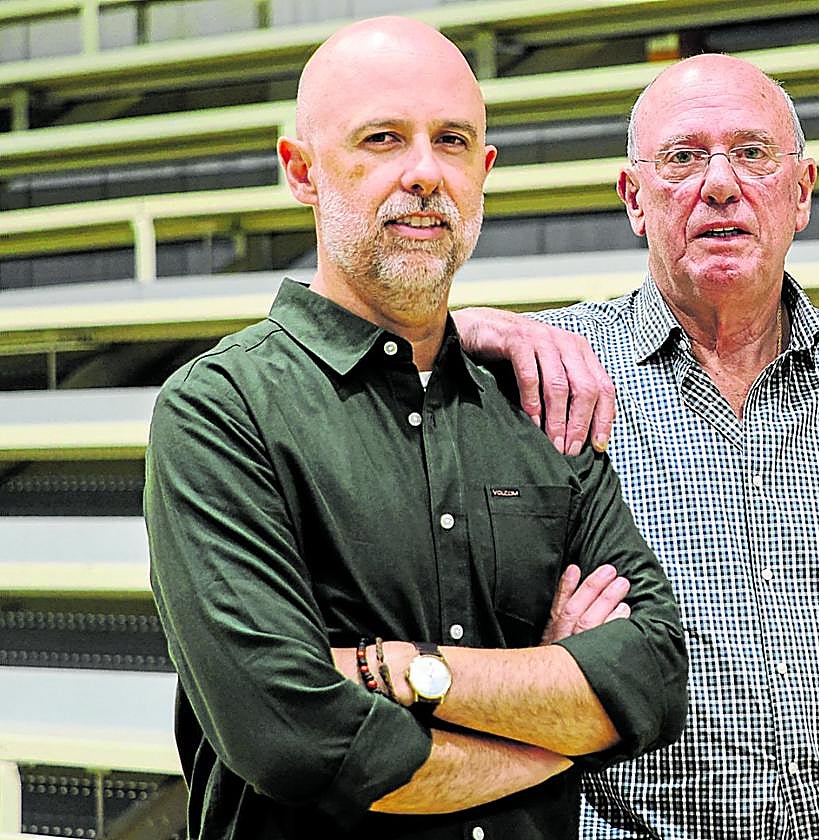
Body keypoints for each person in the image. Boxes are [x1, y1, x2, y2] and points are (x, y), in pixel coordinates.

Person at [143, 18, 687, 840]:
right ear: (302, 171)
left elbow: (648, 677)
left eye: (454, 141)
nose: (425, 173)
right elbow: (297, 739)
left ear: (485, 171)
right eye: (383, 139)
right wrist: (561, 727)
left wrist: (396, 671)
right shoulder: (220, 410)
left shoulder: (542, 400)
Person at [455, 54, 819, 840]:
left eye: (752, 153)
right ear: (634, 199)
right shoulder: (546, 371)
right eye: (682, 158)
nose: (720, 183)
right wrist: (453, 332)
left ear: (802, 192)